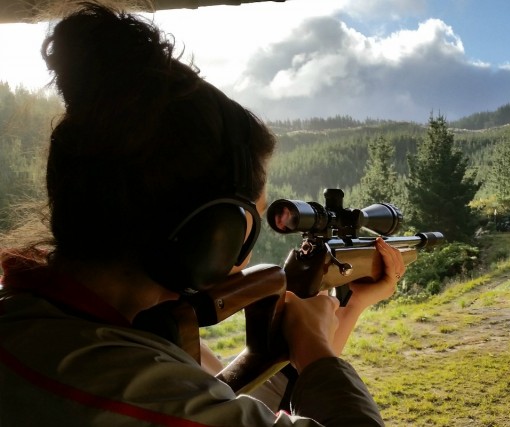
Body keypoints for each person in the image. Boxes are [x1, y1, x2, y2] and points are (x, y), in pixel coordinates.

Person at [0, 3, 404, 426]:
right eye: (253, 216)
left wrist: (343, 314)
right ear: (214, 230)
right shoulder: (126, 386)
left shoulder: (50, 327)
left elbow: (233, 394)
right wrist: (318, 353)